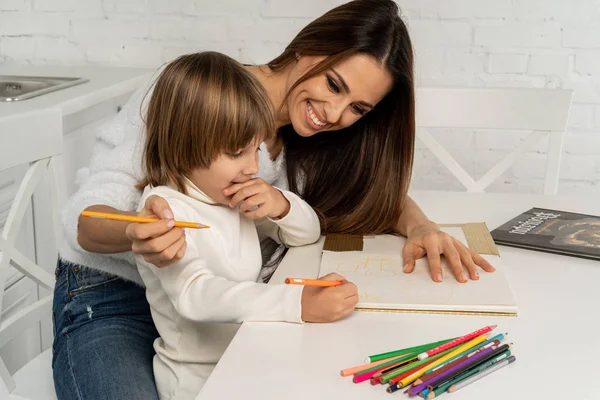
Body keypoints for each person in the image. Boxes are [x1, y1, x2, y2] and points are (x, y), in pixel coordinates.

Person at [52, 1, 495, 399]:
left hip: (222, 315)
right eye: (335, 84)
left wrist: (421, 227)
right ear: (307, 48)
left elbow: (368, 191)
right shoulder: (197, 96)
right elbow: (86, 218)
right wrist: (135, 232)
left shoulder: (314, 136)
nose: (336, 115)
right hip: (111, 293)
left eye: (359, 108)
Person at [133, 51, 355, 400]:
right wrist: (295, 303)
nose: (253, 167)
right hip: (199, 383)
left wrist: (280, 205)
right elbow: (196, 294)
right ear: (185, 143)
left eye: (257, 150)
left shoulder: (221, 193)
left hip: (248, 357)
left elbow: (307, 235)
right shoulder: (166, 209)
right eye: (238, 152)